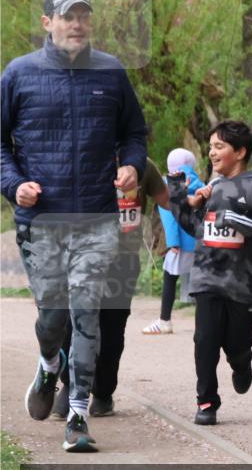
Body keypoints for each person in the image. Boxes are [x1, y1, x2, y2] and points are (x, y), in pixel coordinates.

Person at [1, 0, 147, 452]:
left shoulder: (111, 72)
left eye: (83, 14)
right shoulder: (18, 75)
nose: (77, 23)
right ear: (48, 22)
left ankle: (79, 414)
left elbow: (135, 133)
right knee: (54, 318)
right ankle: (48, 366)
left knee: (88, 313)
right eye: (67, 15)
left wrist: (131, 164)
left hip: (97, 219)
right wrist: (13, 184)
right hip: (42, 221)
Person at [170, 120, 252, 425]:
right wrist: (182, 196)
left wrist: (234, 218)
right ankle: (206, 402)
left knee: (236, 343)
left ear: (241, 151)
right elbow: (197, 230)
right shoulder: (212, 186)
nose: (212, 153)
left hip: (243, 284)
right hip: (207, 277)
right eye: (210, 147)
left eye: (219, 146)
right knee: (204, 339)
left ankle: (241, 362)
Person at [53, 157, 168, 419]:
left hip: (122, 262)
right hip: (80, 258)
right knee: (73, 323)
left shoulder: (145, 166)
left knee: (112, 327)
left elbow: (167, 200)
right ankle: (69, 386)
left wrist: (177, 230)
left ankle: (103, 393)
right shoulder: (78, 157)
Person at [143, 148, 205, 335]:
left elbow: (170, 216)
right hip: (199, 241)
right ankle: (203, 324)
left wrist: (172, 242)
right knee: (200, 283)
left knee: (169, 278)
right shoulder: (201, 183)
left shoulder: (167, 184)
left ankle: (164, 321)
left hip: (180, 243)